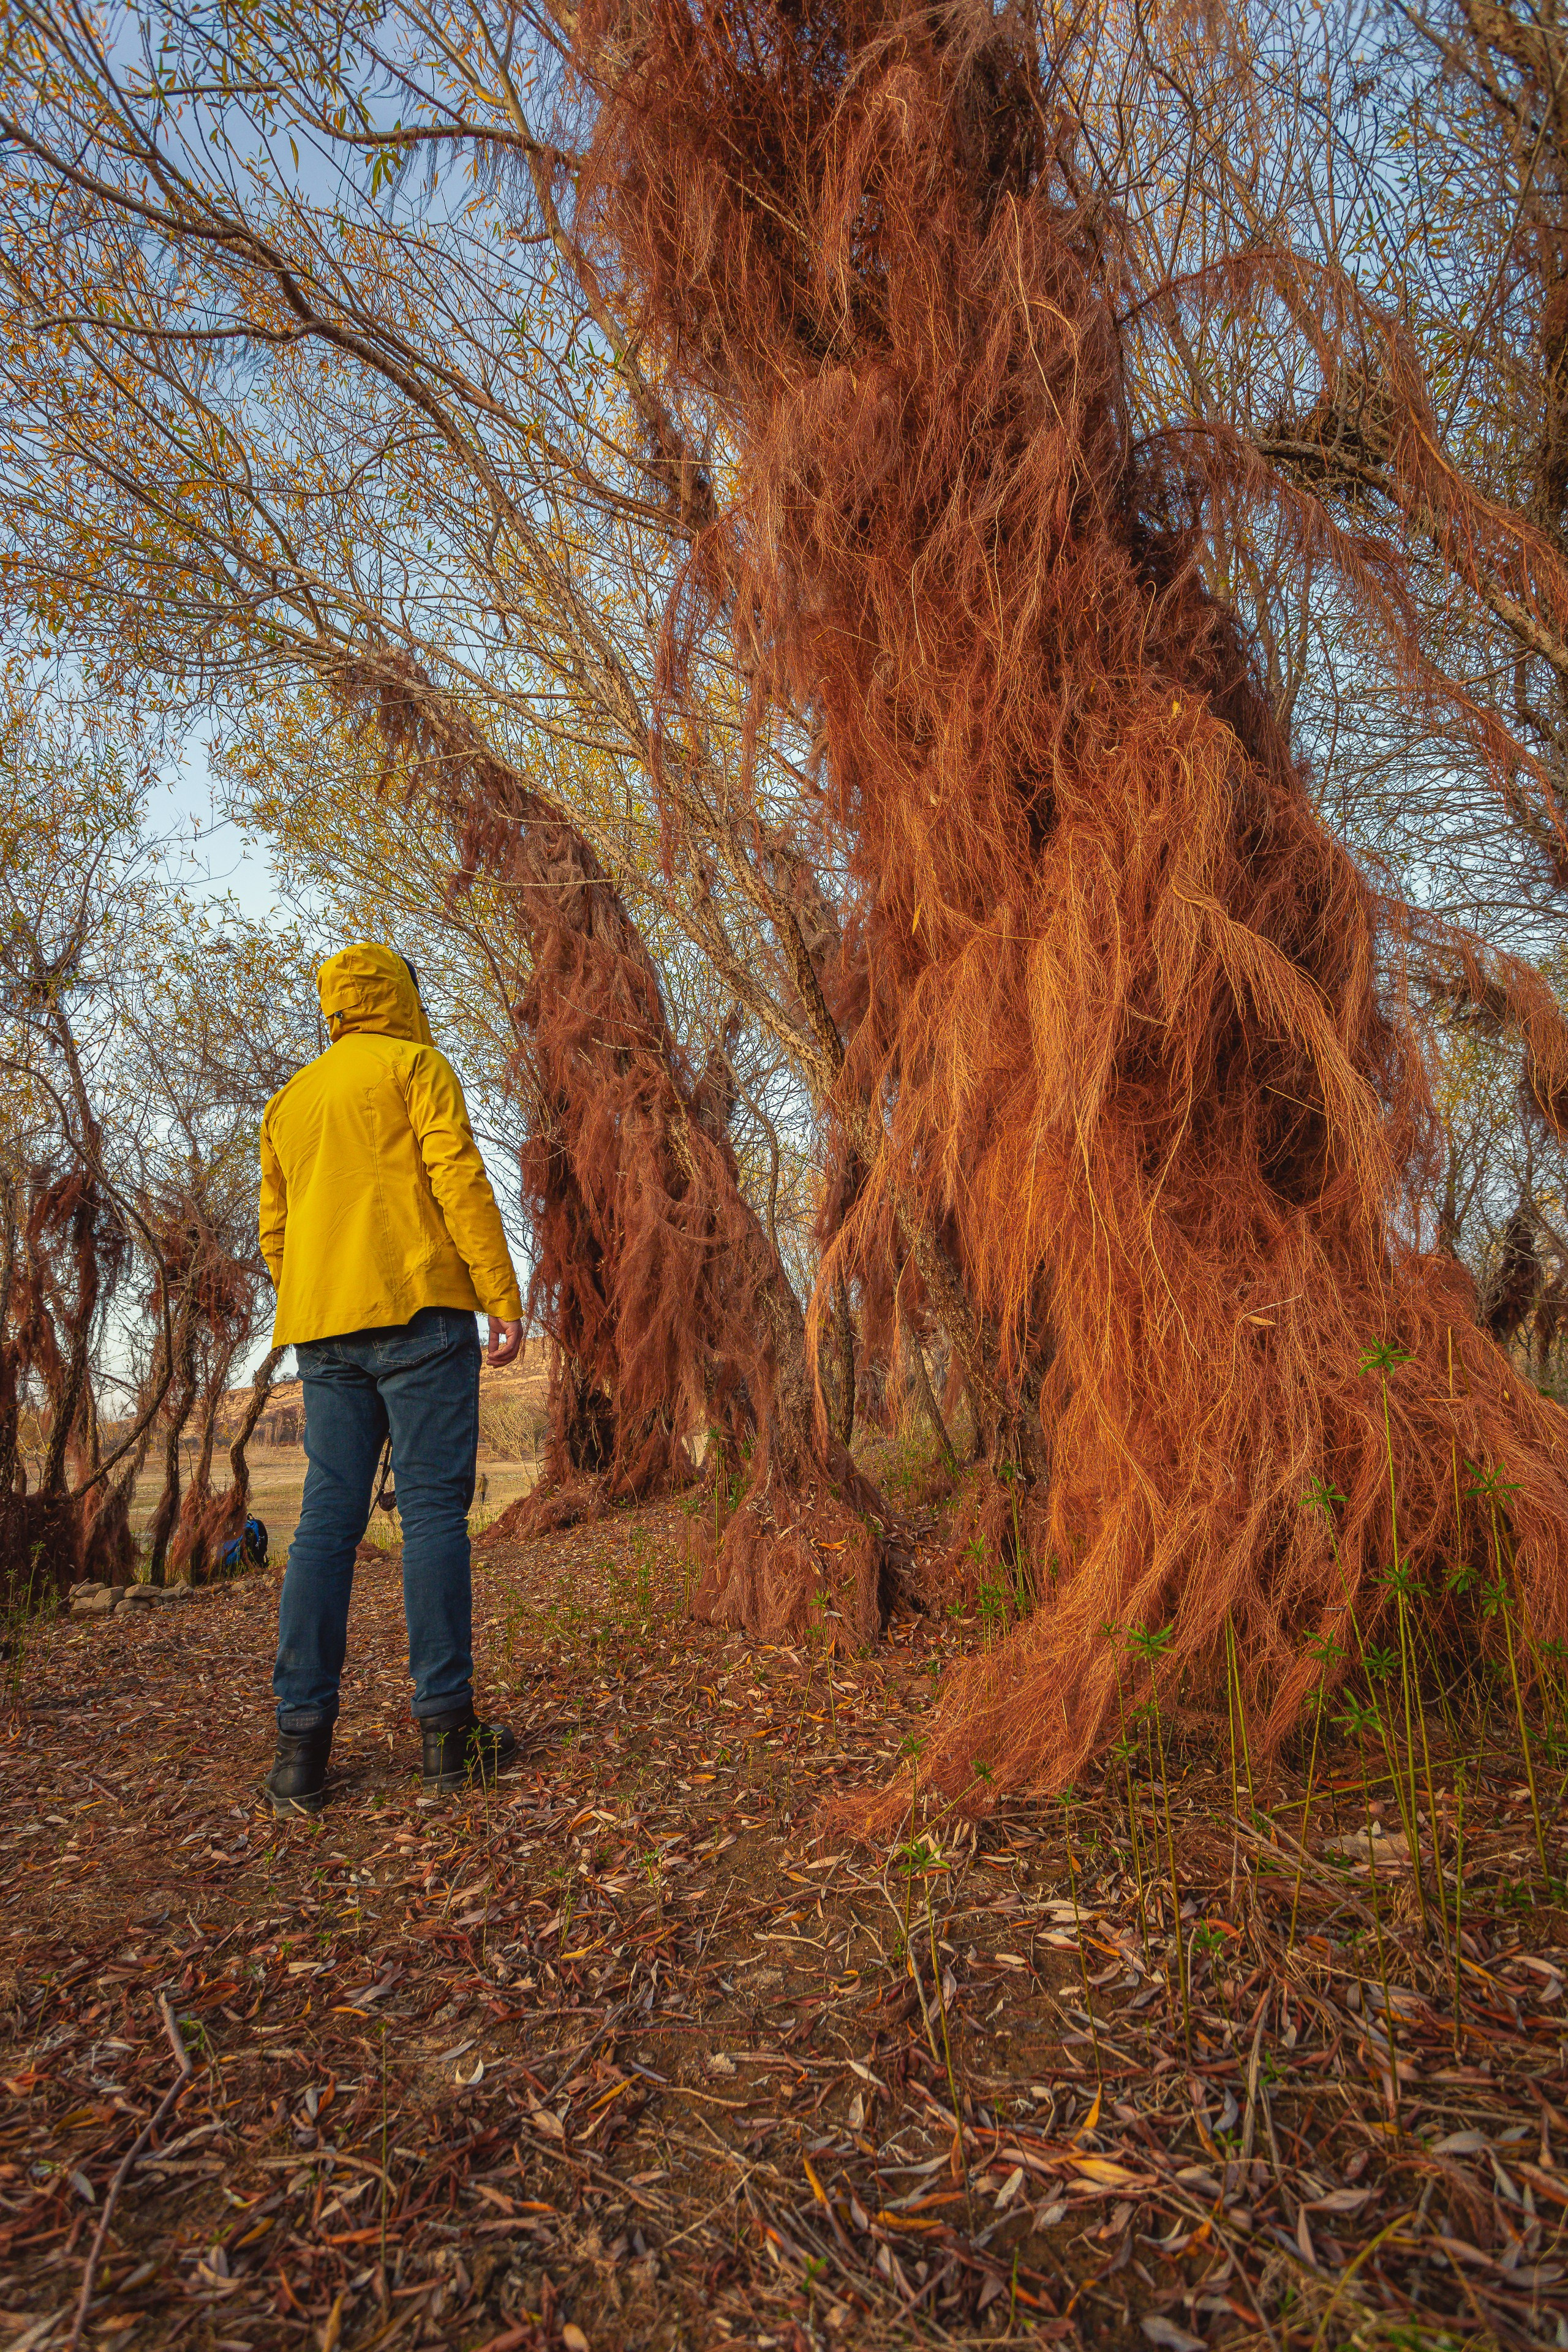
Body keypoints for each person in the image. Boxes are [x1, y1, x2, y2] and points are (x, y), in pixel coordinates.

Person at [258, 943, 525, 1814]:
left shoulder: (289, 1102)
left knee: (325, 1524)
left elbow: (277, 1236)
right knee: (434, 1512)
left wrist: (316, 1295)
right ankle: (449, 1737)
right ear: (401, 995)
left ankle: (301, 1752)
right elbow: (458, 1178)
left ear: (333, 1005)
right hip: (421, 1312)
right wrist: (500, 1294)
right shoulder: (418, 1065)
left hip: (323, 1332)